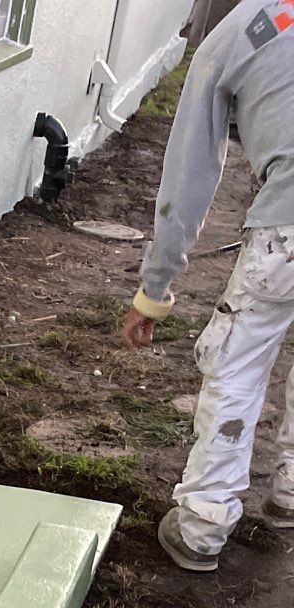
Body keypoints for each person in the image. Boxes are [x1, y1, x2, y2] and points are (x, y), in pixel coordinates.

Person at [121, 2, 294, 571]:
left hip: (287, 229)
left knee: (238, 361)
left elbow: (189, 174)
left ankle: (201, 525)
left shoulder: (239, 32)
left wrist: (155, 287)